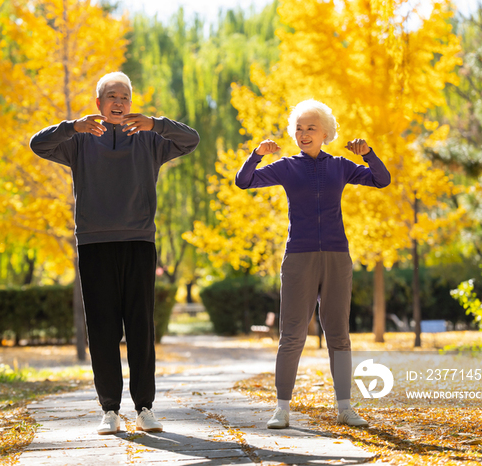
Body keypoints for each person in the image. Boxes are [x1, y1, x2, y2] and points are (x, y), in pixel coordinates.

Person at [29, 72, 199, 435]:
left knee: (141, 328)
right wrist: (72, 127)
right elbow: (37, 145)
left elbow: (190, 140)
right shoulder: (79, 140)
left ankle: (145, 408)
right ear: (99, 104)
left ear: (131, 103)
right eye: (111, 96)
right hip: (93, 243)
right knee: (103, 331)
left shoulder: (150, 138)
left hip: (139, 241)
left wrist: (157, 123)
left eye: (124, 96)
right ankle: (109, 410)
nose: (118, 102)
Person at [234, 99, 391, 428]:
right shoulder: (287, 166)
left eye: (311, 128)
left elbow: (382, 179)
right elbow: (244, 181)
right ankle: (282, 408)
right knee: (291, 335)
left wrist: (368, 154)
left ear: (326, 133)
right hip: (299, 257)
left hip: (336, 256)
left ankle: (345, 407)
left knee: (339, 335)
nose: (304, 134)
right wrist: (258, 155)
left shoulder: (340, 166)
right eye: (299, 129)